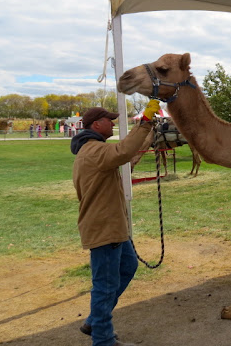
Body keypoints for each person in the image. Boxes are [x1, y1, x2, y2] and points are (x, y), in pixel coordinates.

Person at [71, 100, 160, 346]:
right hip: (105, 228)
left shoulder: (92, 149)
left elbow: (124, 152)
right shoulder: (94, 150)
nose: (112, 124)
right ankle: (103, 339)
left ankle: (94, 321)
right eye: (108, 120)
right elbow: (123, 152)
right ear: (95, 124)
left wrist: (147, 126)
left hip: (111, 226)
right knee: (105, 286)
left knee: (128, 266)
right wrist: (144, 122)